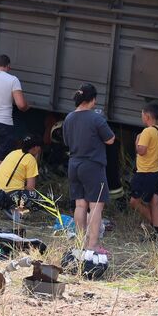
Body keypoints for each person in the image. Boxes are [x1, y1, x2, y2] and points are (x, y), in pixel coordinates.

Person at [62, 83, 115, 254]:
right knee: (96, 206)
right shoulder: (96, 118)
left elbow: (66, 142)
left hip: (74, 164)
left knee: (80, 205)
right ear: (92, 99)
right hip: (92, 165)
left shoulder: (69, 117)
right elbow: (110, 140)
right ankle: (92, 245)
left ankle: (80, 241)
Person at [129, 103, 158, 239]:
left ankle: (156, 224)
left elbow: (141, 151)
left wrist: (137, 142)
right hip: (156, 171)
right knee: (154, 200)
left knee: (134, 201)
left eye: (142, 115)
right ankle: (157, 233)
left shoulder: (147, 132)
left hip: (145, 172)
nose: (142, 117)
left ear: (147, 116)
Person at [0, 134, 44, 218]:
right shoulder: (30, 159)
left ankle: (11, 209)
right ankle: (16, 211)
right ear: (36, 148)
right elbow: (31, 188)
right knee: (39, 198)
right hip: (9, 197)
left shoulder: (13, 153)